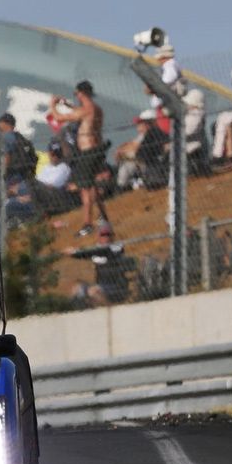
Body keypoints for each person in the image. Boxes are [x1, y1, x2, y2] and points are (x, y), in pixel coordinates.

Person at [49, 80, 108, 237]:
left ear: (80, 93)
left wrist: (52, 105)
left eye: (76, 94)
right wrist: (68, 105)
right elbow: (81, 112)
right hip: (97, 149)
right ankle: (103, 216)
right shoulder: (96, 109)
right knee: (92, 184)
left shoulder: (86, 110)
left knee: (85, 189)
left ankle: (87, 224)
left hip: (87, 152)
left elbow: (58, 118)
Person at [65, 221, 136, 306]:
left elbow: (101, 251)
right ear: (98, 236)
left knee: (93, 291)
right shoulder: (96, 249)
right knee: (76, 289)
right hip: (101, 285)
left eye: (108, 234)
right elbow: (90, 252)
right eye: (103, 234)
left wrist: (76, 252)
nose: (106, 237)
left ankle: (112, 310)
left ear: (113, 236)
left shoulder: (116, 247)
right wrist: (73, 253)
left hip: (116, 287)